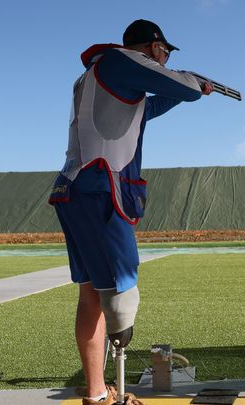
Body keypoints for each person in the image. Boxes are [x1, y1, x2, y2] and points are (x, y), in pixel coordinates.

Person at [49, 19, 212, 405]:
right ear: (154, 48)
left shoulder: (98, 73)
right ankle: (117, 397)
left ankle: (97, 393)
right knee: (122, 293)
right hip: (101, 189)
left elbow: (144, 109)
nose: (166, 59)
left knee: (91, 294)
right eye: (165, 53)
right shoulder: (121, 61)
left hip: (74, 189)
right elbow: (184, 87)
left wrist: (195, 92)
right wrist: (195, 83)